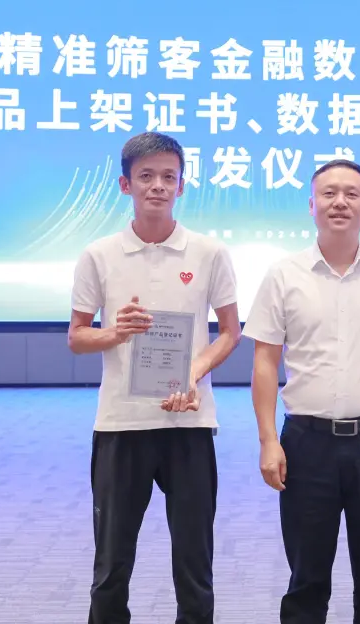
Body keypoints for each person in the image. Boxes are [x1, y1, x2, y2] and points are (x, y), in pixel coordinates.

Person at [243, 159, 360, 624]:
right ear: (311, 205)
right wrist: (268, 440)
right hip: (306, 444)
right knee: (306, 581)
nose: (340, 202)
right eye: (329, 193)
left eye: (352, 194)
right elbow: (265, 362)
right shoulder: (283, 275)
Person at [67, 132, 242, 624]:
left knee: (194, 564)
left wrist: (193, 372)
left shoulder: (209, 253)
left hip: (188, 423)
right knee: (111, 565)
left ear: (182, 186)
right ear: (126, 185)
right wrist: (115, 333)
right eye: (146, 176)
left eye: (169, 177)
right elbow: (77, 337)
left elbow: (231, 332)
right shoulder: (99, 254)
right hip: (121, 424)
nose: (158, 186)